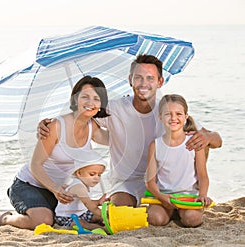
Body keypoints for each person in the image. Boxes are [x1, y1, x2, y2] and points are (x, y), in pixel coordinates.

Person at [38, 54, 222, 208]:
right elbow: (83, 114)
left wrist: (208, 136)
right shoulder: (114, 109)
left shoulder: (167, 112)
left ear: (160, 82)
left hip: (162, 184)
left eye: (150, 78)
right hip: (125, 183)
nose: (144, 83)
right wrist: (50, 123)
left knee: (159, 216)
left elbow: (216, 141)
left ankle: (192, 189)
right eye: (139, 77)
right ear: (130, 80)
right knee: (121, 211)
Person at [0, 75, 110, 230]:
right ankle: (6, 218)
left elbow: (117, 140)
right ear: (75, 99)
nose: (90, 103)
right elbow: (36, 164)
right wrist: (55, 190)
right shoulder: (56, 126)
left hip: (61, 192)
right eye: (85, 97)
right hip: (30, 185)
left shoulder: (92, 127)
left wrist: (126, 114)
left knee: (98, 217)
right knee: (43, 221)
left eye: (96, 99)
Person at [145, 94, 212, 227]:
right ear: (160, 117)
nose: (173, 118)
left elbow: (203, 176)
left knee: (192, 220)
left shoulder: (194, 143)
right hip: (164, 197)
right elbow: (149, 181)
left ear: (186, 117)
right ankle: (170, 212)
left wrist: (203, 195)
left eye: (178, 114)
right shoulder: (156, 145)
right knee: (156, 219)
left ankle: (181, 212)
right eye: (168, 114)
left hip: (188, 197)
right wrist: (161, 196)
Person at [55, 151, 107, 231]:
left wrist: (98, 202)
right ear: (79, 173)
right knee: (80, 223)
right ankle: (102, 228)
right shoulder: (78, 186)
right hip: (68, 216)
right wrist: (104, 214)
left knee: (97, 217)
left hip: (82, 213)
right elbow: (88, 204)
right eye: (92, 174)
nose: (96, 178)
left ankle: (104, 223)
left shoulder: (86, 183)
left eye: (99, 174)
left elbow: (84, 203)